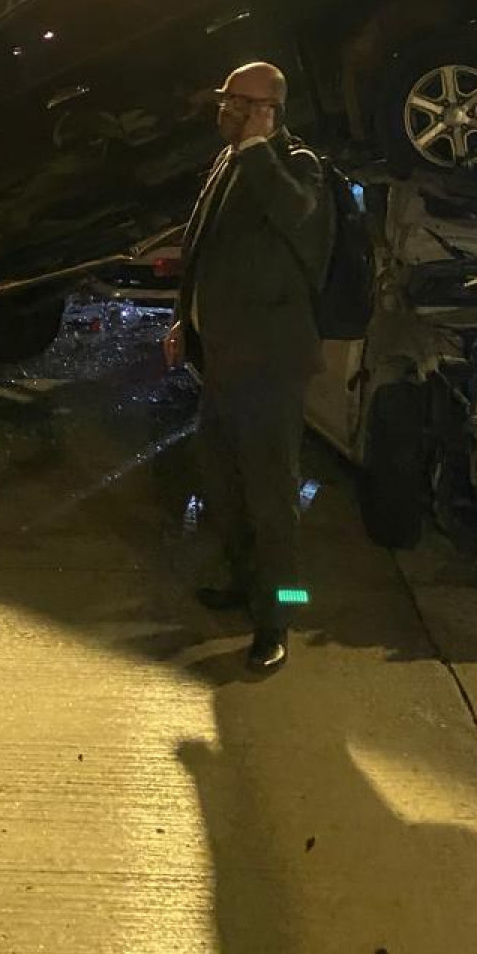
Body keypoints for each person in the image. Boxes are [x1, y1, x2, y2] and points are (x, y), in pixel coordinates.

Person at [163, 62, 334, 675]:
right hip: (225, 360)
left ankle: (279, 617)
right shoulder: (230, 158)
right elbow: (208, 247)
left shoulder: (296, 165)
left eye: (239, 100)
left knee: (272, 497)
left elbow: (297, 216)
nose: (225, 107)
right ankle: (244, 584)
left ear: (270, 110)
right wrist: (188, 318)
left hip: (269, 365)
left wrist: (260, 147)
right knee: (223, 485)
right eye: (224, 95)